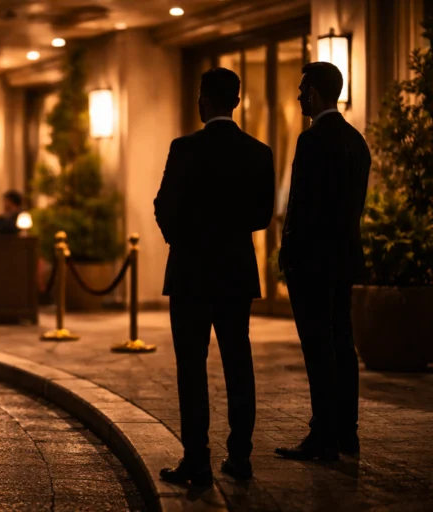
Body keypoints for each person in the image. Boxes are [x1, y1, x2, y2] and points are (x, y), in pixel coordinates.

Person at [154, 68, 275, 485]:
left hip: (190, 271)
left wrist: (182, 240)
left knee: (192, 365)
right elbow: (262, 215)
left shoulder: (184, 148)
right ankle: (240, 456)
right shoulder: (259, 152)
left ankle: (197, 458)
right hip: (236, 270)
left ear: (203, 100)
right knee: (238, 362)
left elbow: (163, 205)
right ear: (236, 103)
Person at [276, 62, 371, 461]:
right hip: (344, 258)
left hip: (312, 262)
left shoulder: (312, 141)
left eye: (301, 89)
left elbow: (302, 206)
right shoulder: (357, 142)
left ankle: (322, 435)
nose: (298, 96)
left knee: (317, 348)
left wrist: (288, 254)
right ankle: (347, 432)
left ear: (314, 93)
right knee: (343, 345)